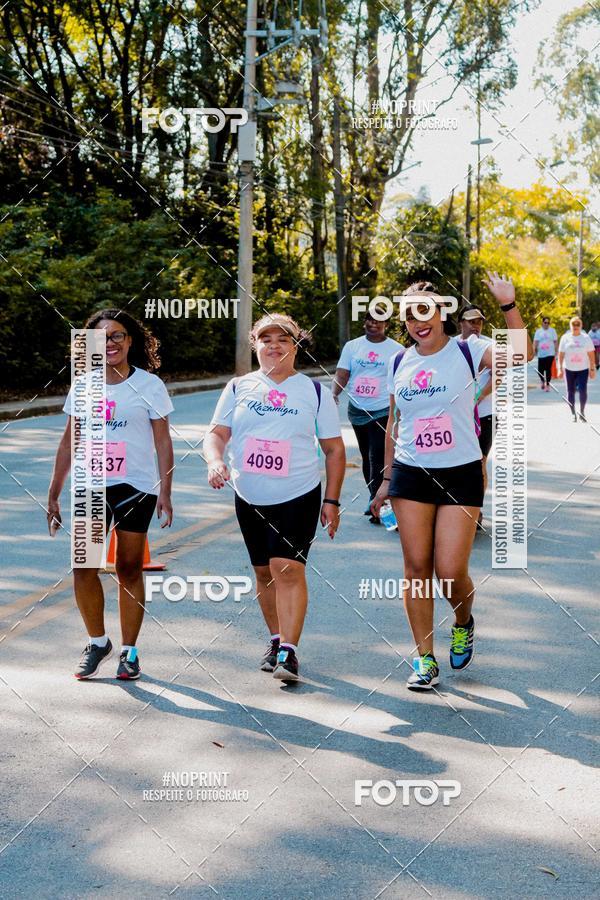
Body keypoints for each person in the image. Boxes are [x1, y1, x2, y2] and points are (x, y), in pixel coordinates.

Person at [372, 275, 533, 691]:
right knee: (415, 568)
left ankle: (463, 621)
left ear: (441, 313)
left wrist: (508, 306)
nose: (417, 321)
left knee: (449, 570)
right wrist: (386, 478)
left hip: (460, 472)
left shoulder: (468, 349)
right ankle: (424, 659)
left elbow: (520, 355)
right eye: (409, 315)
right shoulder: (398, 362)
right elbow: (394, 422)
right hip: (411, 472)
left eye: (425, 311)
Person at [204, 313, 345, 683]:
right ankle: (276, 638)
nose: (274, 345)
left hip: (298, 492)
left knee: (287, 568)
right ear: (256, 346)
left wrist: (331, 501)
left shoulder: (314, 391)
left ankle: (290, 652)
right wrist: (215, 461)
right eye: (266, 339)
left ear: (296, 345)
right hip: (249, 493)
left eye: (283, 339)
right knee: (264, 571)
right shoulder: (238, 388)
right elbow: (216, 434)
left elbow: (333, 450)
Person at [47, 309, 174, 681]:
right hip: (89, 484)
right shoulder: (83, 385)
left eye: (117, 335)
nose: (111, 343)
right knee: (83, 565)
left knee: (129, 568)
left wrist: (166, 490)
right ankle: (97, 641)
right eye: (102, 338)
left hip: (136, 486)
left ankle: (129, 651)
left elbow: (163, 441)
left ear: (130, 340)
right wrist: (54, 492)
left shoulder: (150, 385)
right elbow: (71, 440)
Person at [332, 310, 402, 523]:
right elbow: (343, 373)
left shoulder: (396, 350)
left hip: (382, 409)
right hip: (357, 409)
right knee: (366, 455)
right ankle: (376, 496)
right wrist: (334, 393)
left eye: (379, 321)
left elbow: (402, 379)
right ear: (364, 322)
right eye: (370, 320)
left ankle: (376, 500)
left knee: (377, 455)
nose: (374, 324)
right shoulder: (353, 346)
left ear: (386, 325)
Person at [457, 305, 493, 529]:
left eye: (479, 321)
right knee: (458, 462)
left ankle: (476, 509)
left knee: (479, 462)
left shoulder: (488, 345)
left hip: (485, 414)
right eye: (470, 321)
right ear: (460, 322)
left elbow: (498, 375)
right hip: (457, 415)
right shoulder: (452, 345)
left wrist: (478, 396)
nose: (475, 325)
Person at [557, 316, 596, 422]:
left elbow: (591, 354)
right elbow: (560, 354)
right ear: (570, 326)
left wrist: (592, 369)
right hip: (569, 369)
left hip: (583, 369)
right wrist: (559, 368)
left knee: (583, 390)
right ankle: (573, 413)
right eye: (573, 324)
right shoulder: (565, 338)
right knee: (570, 391)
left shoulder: (586, 338)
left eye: (578, 324)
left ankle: (582, 412)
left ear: (581, 326)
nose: (575, 326)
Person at [533, 317, 558, 390]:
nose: (547, 324)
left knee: (548, 369)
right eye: (545, 322)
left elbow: (555, 341)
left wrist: (556, 351)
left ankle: (547, 385)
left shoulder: (552, 331)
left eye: (548, 323)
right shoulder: (538, 331)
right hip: (541, 354)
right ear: (542, 323)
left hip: (550, 353)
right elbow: (535, 342)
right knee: (540, 370)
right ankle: (542, 380)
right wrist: (534, 350)